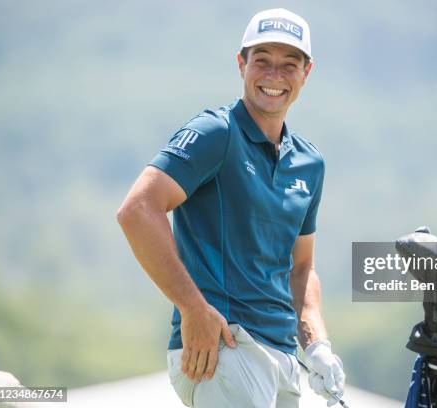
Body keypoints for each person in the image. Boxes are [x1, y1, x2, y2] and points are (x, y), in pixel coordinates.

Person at [117, 8, 345, 408]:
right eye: (262, 62)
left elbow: (301, 267)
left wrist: (318, 344)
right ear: (241, 64)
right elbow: (138, 210)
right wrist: (193, 309)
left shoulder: (310, 163)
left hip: (284, 359)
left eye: (288, 65)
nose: (274, 76)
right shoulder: (216, 132)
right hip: (225, 348)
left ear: (306, 73)